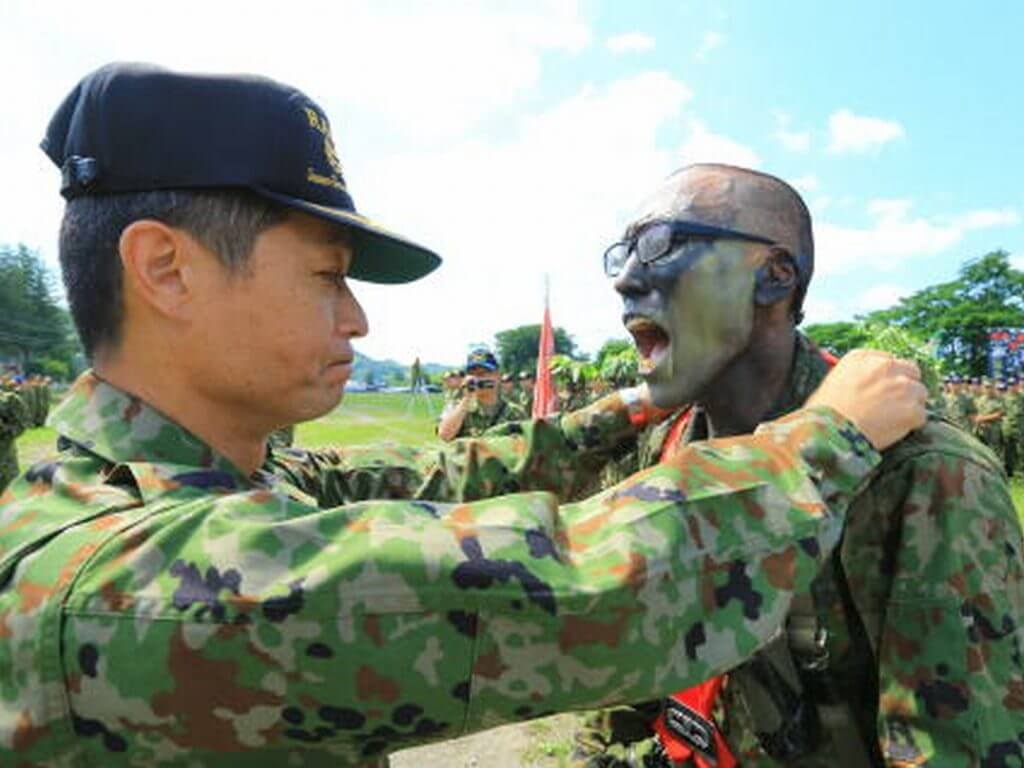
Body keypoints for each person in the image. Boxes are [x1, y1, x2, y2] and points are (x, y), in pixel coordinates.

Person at [0, 64, 926, 766]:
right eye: (328, 275)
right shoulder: (136, 587)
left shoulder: (217, 481)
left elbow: (446, 479)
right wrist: (832, 435)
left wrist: (634, 405)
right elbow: (597, 586)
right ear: (168, 269)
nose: (356, 317)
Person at [573, 164, 1022, 767]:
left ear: (774, 277)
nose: (625, 280)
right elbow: (637, 652)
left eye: (662, 245)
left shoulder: (922, 474)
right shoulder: (679, 442)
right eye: (624, 252)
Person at [435, 348, 524, 440]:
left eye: (483, 374)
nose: (478, 379)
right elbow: (445, 435)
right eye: (473, 374)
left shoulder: (515, 412)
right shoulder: (457, 407)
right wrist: (466, 399)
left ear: (497, 376)